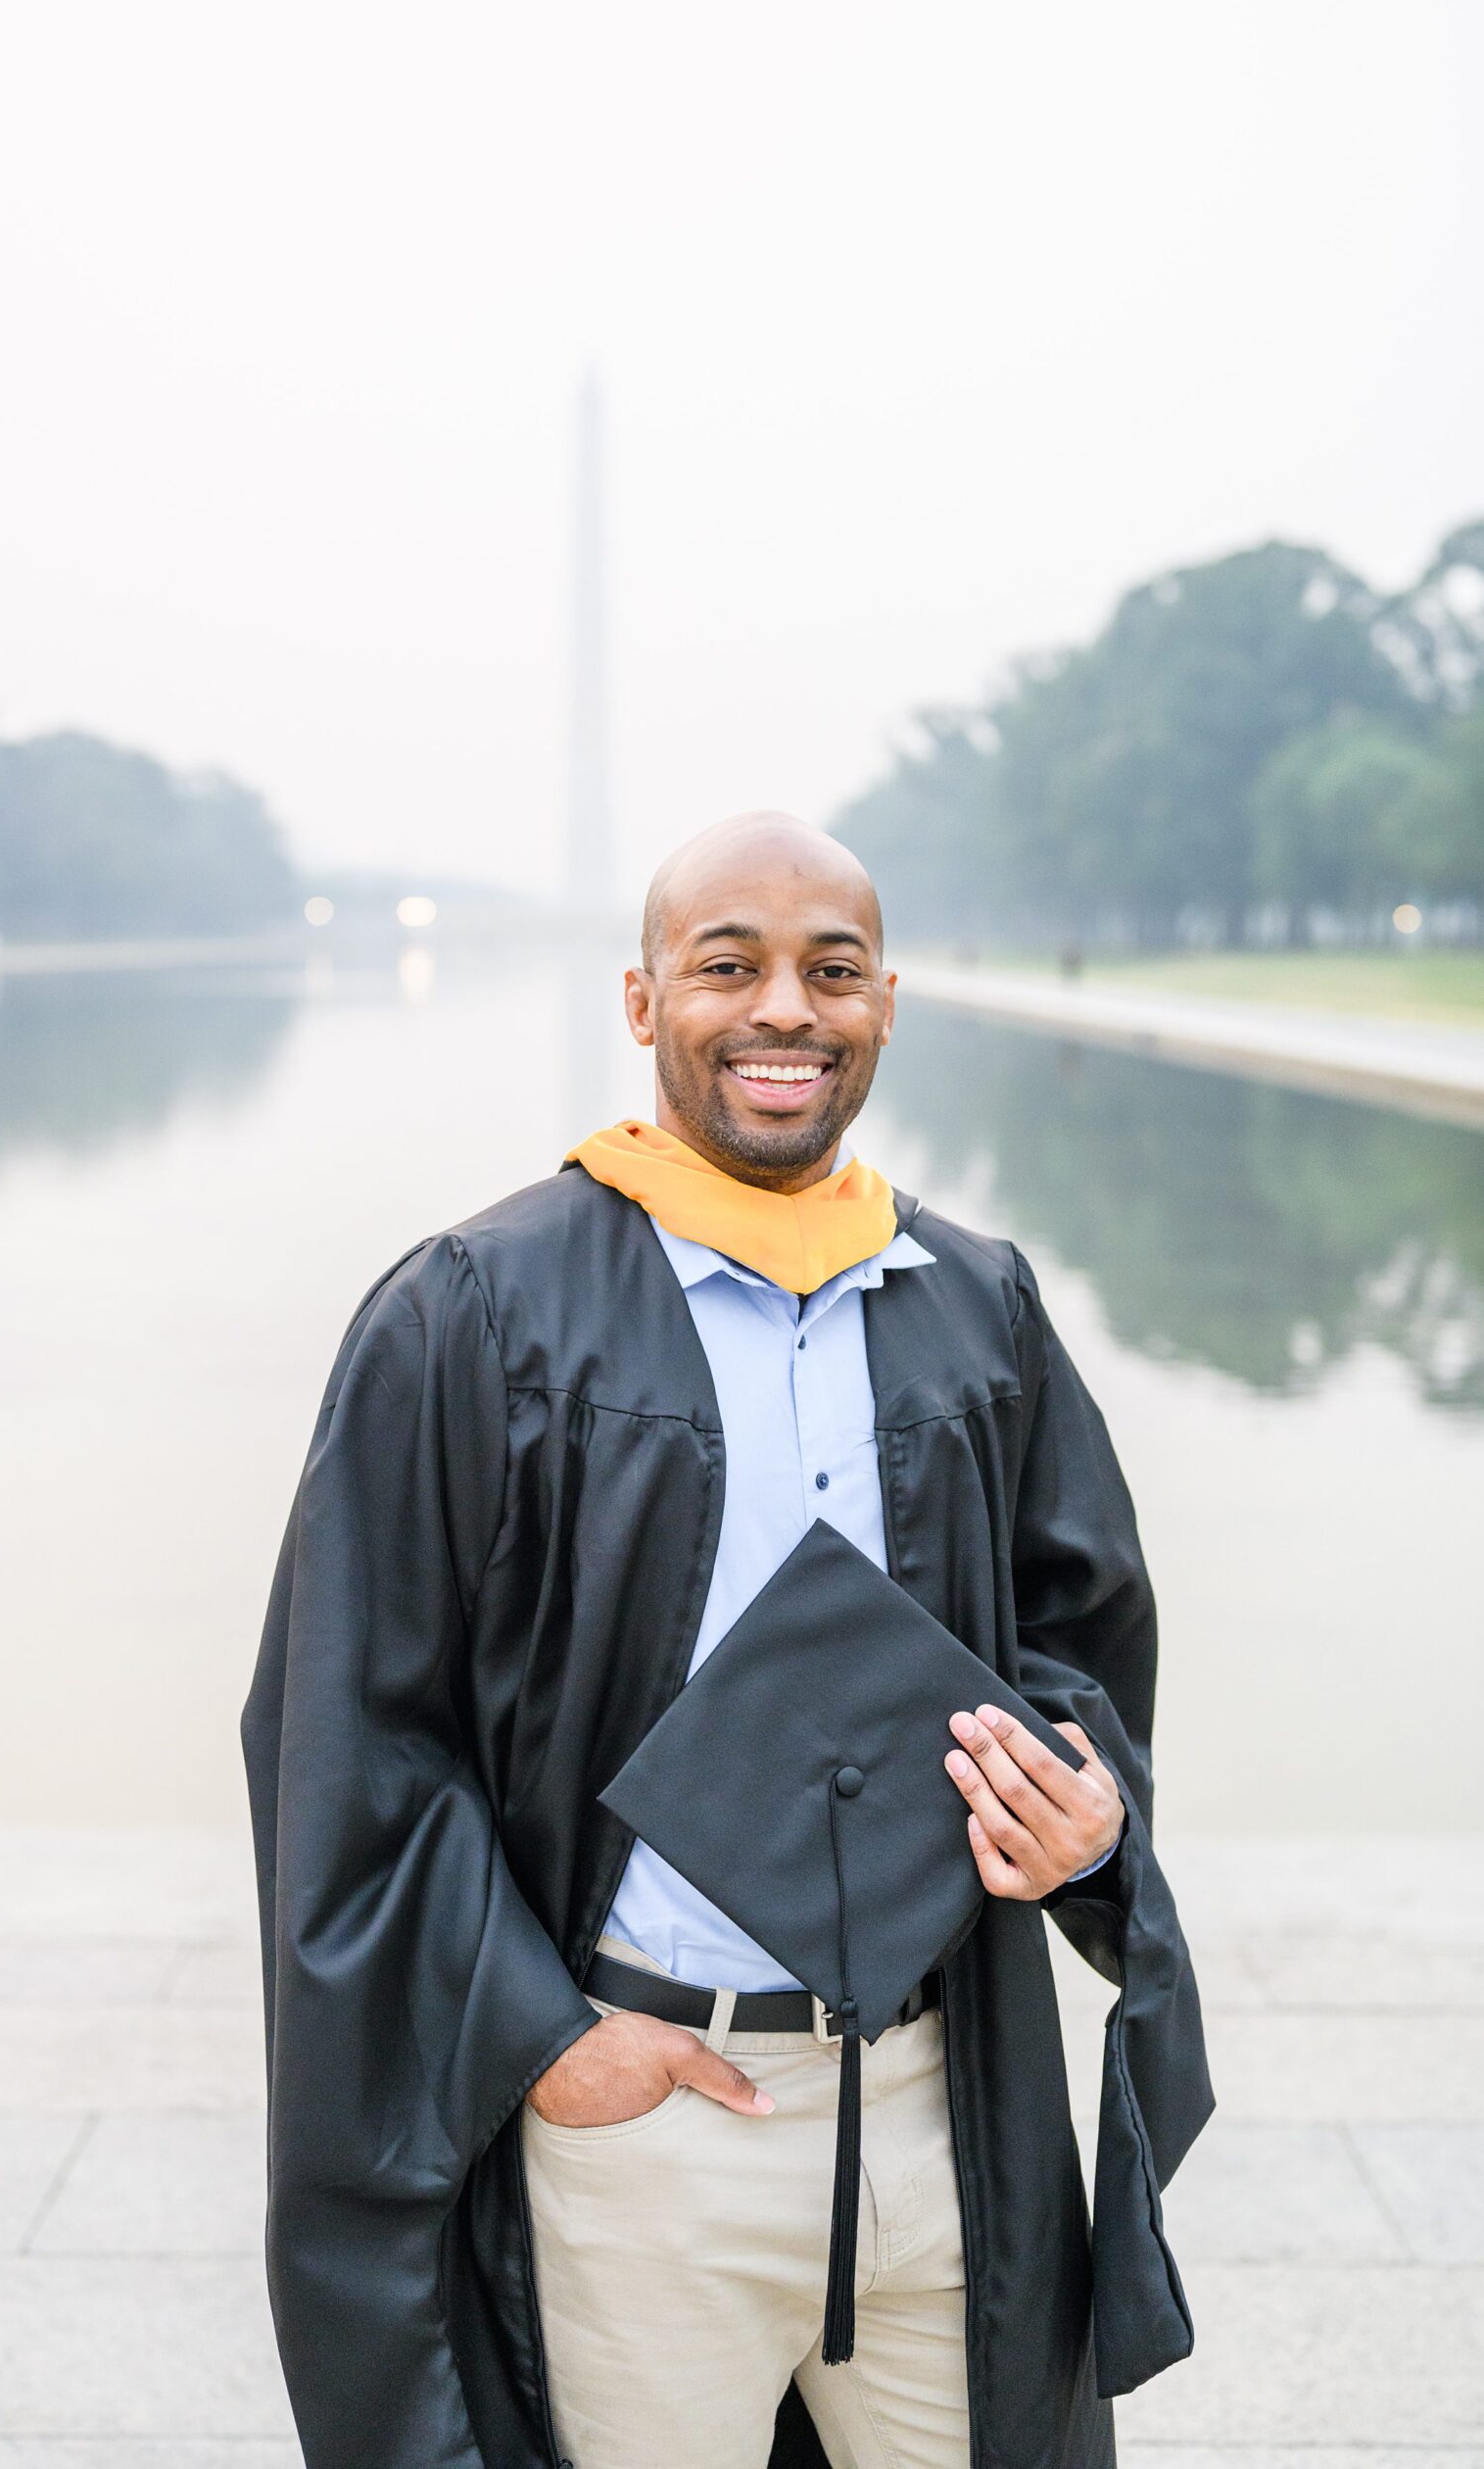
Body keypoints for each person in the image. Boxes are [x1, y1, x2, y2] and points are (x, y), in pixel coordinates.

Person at [241, 812, 1212, 2469]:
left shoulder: (975, 1304)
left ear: (886, 1003)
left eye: (832, 972)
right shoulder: (479, 1310)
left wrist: (1084, 1803)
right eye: (729, 967)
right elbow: (354, 1726)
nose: (786, 1011)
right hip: (649, 2107)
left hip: (939, 2097)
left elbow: (1075, 1634)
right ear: (642, 1002)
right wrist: (547, 2044)